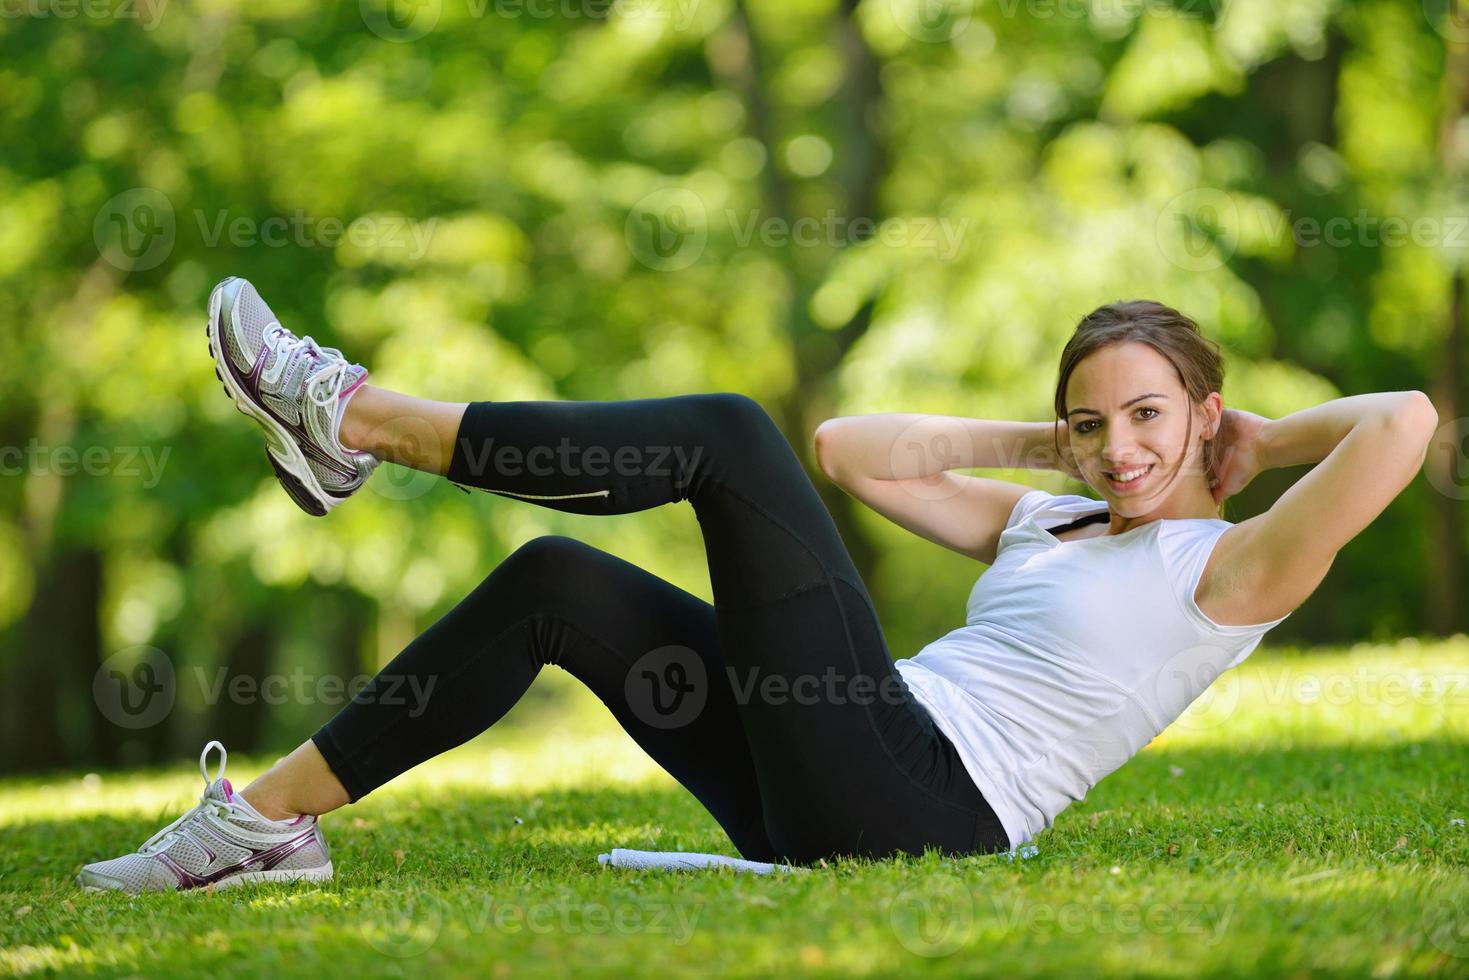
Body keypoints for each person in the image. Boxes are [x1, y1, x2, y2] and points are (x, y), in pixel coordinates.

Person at [75, 285, 1438, 893]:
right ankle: (256, 828)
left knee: (728, 432)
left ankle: (353, 418)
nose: (1119, 447)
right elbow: (856, 454)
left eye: (1148, 417)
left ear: (1201, 414)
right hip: (845, 766)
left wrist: (1261, 438)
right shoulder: (1054, 513)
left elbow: (1405, 422)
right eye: (1093, 421)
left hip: (929, 804)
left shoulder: (1230, 569)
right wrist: (1050, 447)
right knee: (560, 584)